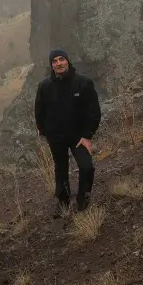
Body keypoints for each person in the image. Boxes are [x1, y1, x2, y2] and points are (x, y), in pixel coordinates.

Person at [34, 48, 101, 217]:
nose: (58, 63)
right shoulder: (45, 86)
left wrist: (87, 135)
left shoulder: (83, 83)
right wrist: (45, 133)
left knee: (86, 166)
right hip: (56, 137)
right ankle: (63, 201)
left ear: (67, 61)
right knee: (60, 169)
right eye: (54, 61)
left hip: (79, 137)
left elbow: (94, 112)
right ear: (51, 65)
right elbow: (39, 112)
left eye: (61, 59)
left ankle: (83, 197)